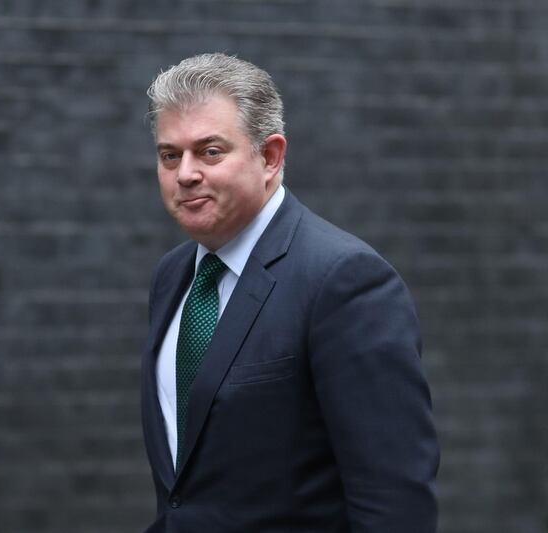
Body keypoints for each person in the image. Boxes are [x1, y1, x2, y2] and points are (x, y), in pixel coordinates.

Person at [140, 53, 439, 532]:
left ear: (270, 157)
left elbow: (394, 501)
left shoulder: (344, 281)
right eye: (169, 155)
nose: (185, 173)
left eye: (210, 151)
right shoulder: (173, 277)